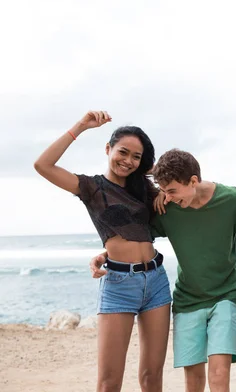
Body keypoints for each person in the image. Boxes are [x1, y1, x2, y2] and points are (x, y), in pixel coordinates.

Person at [92, 148, 236, 392]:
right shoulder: (167, 209)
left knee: (219, 373)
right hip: (187, 300)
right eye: (163, 191)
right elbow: (138, 240)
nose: (167, 197)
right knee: (193, 380)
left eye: (172, 191)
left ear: (193, 181)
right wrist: (106, 254)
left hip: (225, 295)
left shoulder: (229, 199)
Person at [34, 111, 171, 392]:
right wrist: (81, 126)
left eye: (136, 157)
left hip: (157, 280)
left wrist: (150, 173)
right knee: (109, 382)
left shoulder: (142, 188)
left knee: (152, 376)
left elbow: (170, 175)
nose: (128, 161)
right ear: (107, 149)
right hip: (119, 284)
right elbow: (43, 165)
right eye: (122, 152)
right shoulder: (92, 187)